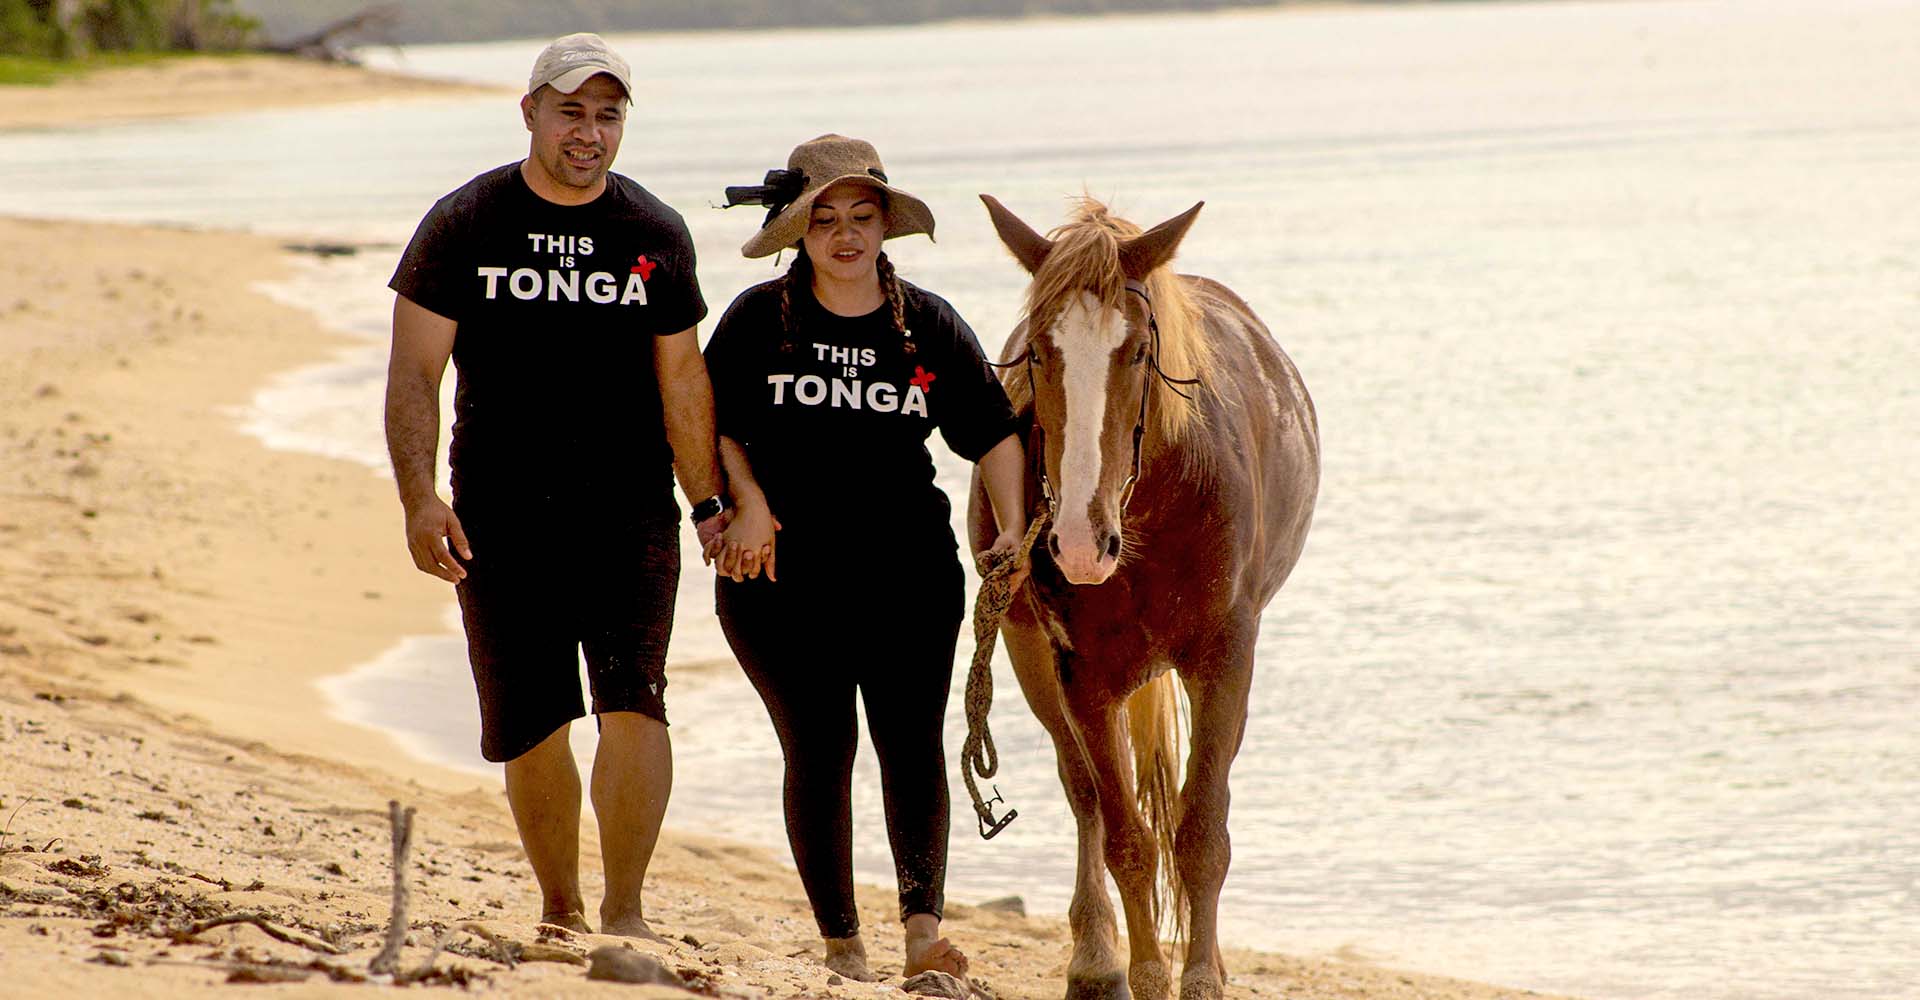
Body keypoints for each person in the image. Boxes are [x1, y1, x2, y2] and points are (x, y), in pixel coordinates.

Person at [383, 33, 727, 939]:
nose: (590, 132)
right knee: (531, 716)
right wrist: (420, 499)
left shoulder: (652, 233)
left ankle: (626, 909)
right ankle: (560, 908)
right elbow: (416, 374)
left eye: (608, 115)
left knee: (633, 696)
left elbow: (682, 376)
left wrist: (710, 503)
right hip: (499, 508)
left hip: (629, 508)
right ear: (530, 110)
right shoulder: (465, 223)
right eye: (571, 110)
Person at [704, 134, 1029, 981]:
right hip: (778, 579)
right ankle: (843, 943)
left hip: (910, 578)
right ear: (798, 233)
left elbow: (992, 433)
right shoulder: (753, 321)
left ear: (885, 224)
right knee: (819, 747)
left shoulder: (927, 322)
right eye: (825, 221)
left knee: (911, 745)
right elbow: (710, 426)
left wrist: (1012, 530)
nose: (845, 236)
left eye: (862, 217)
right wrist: (747, 502)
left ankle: (923, 931)